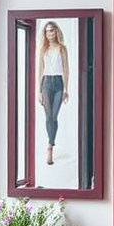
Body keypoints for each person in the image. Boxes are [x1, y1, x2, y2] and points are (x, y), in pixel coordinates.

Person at [37, 20, 69, 166]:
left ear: (56, 31)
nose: (49, 34)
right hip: (46, 83)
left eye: (51, 31)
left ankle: (50, 143)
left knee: (54, 116)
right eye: (47, 31)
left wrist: (66, 89)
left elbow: (66, 69)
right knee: (48, 116)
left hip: (58, 83)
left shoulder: (62, 48)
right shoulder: (42, 48)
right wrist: (39, 90)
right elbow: (39, 70)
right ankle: (50, 147)